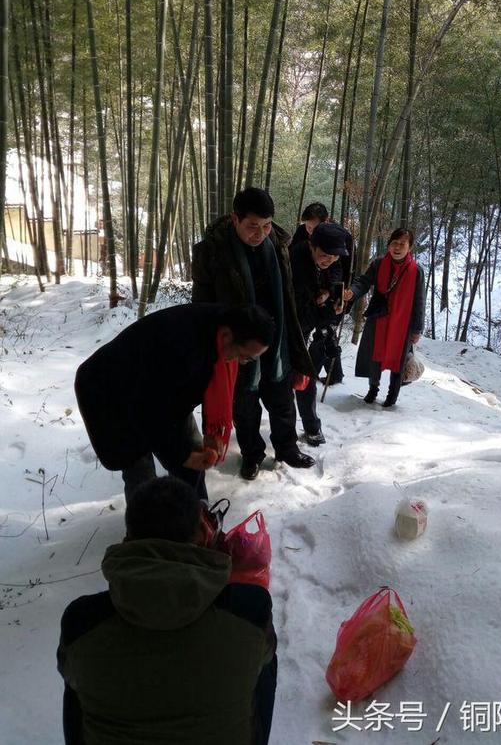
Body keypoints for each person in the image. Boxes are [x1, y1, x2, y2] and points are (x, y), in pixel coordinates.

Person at [57, 476, 277, 745]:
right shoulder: (249, 610)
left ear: (129, 540)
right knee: (263, 659)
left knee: (78, 681)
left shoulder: (82, 622)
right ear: (202, 535)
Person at [75, 303, 274, 502]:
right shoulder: (183, 346)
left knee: (194, 457)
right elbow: (151, 413)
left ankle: (197, 520)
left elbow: (199, 393)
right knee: (141, 471)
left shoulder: (221, 328)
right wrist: (182, 456)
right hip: (109, 394)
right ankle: (146, 530)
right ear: (226, 337)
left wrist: (208, 439)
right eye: (244, 356)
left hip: (157, 393)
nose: (241, 362)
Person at [192, 187, 315, 480]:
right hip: (239, 342)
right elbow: (202, 304)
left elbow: (288, 293)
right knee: (244, 403)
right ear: (235, 219)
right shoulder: (211, 250)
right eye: (252, 226)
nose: (260, 233)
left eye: (266, 225)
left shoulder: (279, 243)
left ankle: (286, 448)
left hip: (276, 336)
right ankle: (252, 454)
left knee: (281, 398)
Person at [344, 228, 425, 408]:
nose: (397, 247)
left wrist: (417, 329)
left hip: (403, 323)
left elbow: (419, 302)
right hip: (379, 318)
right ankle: (373, 389)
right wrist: (352, 292)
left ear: (410, 247)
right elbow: (364, 282)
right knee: (376, 355)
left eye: (402, 244)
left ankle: (392, 396)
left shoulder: (416, 271)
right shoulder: (379, 264)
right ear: (389, 245)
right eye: (394, 243)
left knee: (398, 360)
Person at [290, 222, 348, 446]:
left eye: (334, 257)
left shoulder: (332, 261)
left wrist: (333, 299)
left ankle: (312, 428)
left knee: (307, 379)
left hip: (316, 329)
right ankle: (287, 435)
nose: (329, 260)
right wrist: (320, 303)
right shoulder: (295, 263)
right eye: (324, 255)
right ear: (311, 245)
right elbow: (300, 308)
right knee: (290, 383)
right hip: (295, 330)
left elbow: (335, 279)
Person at [290, 202, 355, 384]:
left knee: (325, 334)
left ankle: (328, 374)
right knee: (314, 335)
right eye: (307, 227)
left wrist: (331, 291)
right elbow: (302, 314)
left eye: (314, 227)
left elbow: (342, 269)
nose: (310, 230)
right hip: (303, 309)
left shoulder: (340, 238)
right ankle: (306, 375)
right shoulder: (300, 257)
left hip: (326, 295)